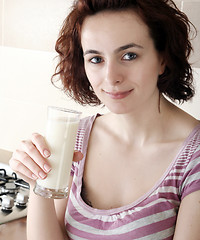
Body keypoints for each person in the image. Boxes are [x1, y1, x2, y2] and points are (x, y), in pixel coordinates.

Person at [9, 0, 200, 239]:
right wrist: (40, 183)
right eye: (96, 59)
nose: (111, 78)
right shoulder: (75, 137)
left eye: (129, 55)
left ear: (162, 58)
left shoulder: (194, 158)